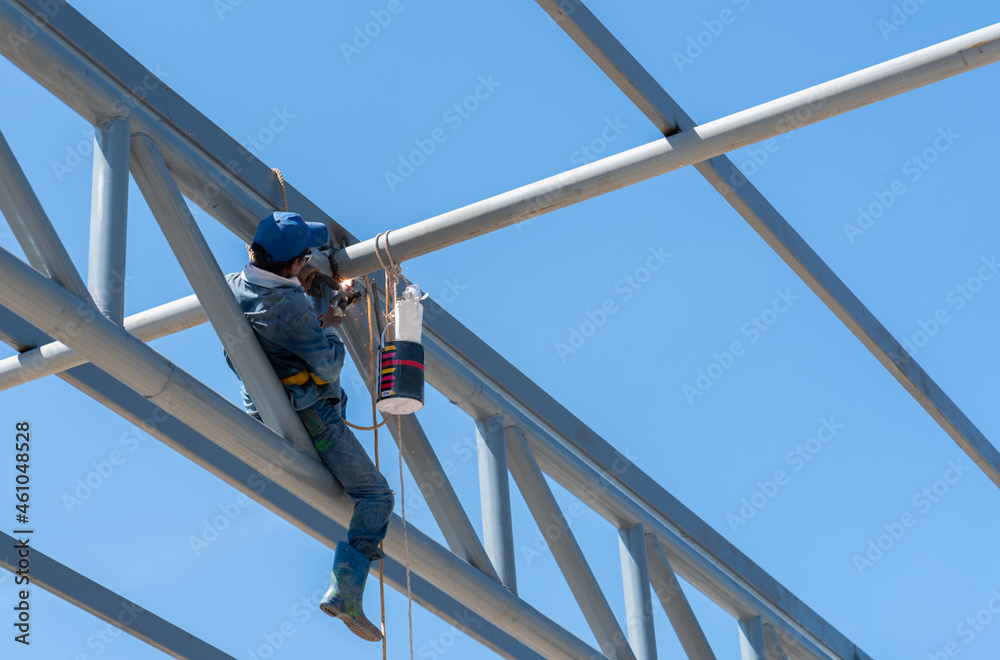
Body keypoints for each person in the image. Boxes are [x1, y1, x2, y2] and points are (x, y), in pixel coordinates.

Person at [225, 211, 392, 642]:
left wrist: (323, 306)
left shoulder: (232, 285)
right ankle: (346, 592)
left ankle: (347, 590)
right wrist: (332, 328)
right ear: (297, 262)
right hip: (312, 414)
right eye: (305, 260)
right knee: (377, 496)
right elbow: (328, 364)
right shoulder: (292, 307)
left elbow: (280, 324)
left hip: (263, 406)